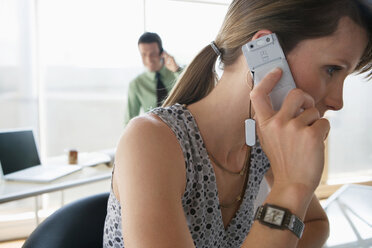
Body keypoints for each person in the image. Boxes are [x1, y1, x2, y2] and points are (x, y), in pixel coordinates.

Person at [104, 0, 371, 247]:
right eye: (332, 69)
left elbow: (316, 224)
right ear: (264, 51)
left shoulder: (262, 142)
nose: (338, 101)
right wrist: (292, 188)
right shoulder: (150, 141)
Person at [124, 32, 183, 125]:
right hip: (154, 134)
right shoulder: (136, 84)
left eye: (153, 54)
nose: (148, 59)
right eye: (144, 54)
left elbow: (192, 90)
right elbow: (128, 122)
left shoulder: (177, 73)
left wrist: (176, 70)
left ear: (162, 53)